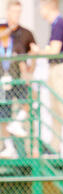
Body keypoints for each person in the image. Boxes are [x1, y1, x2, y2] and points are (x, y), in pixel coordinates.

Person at [31, 0, 63, 154]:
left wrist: (38, 51)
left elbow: (54, 50)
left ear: (48, 7)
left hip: (61, 68)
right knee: (55, 109)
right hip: (56, 68)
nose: (40, 11)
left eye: (41, 7)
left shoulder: (59, 23)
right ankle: (55, 146)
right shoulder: (56, 24)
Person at [4, 0, 36, 140]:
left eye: (19, 12)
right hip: (3, 77)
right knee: (4, 113)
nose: (16, 15)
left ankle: (17, 125)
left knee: (30, 102)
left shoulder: (26, 33)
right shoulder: (2, 31)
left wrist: (30, 70)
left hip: (20, 77)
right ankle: (8, 147)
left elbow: (33, 53)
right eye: (13, 12)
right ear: (8, 12)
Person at [0, 19, 29, 158]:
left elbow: (23, 63)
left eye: (4, 28)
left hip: (16, 81)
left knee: (27, 103)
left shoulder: (16, 43)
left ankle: (17, 123)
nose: (2, 31)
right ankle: (9, 147)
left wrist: (25, 78)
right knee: (3, 117)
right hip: (2, 83)